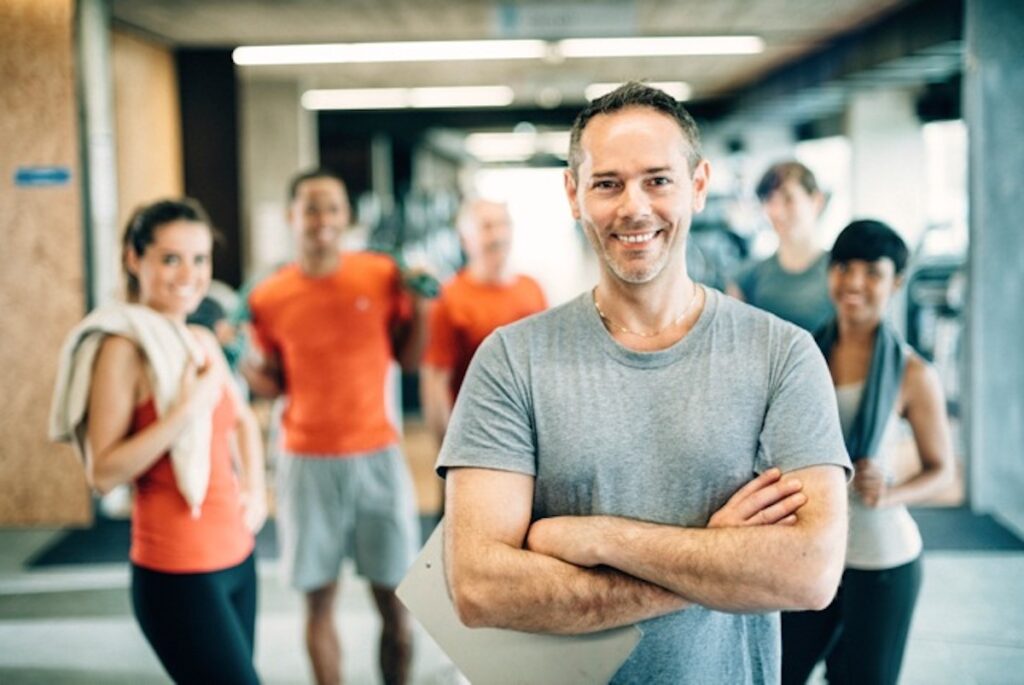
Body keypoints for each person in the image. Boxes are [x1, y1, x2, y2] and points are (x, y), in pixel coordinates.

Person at [438, 82, 852, 684]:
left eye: (658, 179)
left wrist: (600, 537)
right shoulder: (511, 360)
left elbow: (808, 573)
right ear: (574, 194)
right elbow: (478, 588)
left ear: (698, 186)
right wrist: (713, 560)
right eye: (608, 183)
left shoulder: (782, 355)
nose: (634, 207)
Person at [55, 199, 266, 684]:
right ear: (134, 258)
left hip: (237, 556)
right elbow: (103, 472)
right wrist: (184, 411)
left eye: (200, 259)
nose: (189, 274)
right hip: (178, 572)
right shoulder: (122, 349)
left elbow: (243, 423)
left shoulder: (200, 340)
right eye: (171, 258)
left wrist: (254, 491)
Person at [243, 169, 428, 685]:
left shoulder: (379, 274)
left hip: (379, 456)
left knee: (398, 606)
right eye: (310, 208)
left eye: (332, 207)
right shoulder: (269, 296)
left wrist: (423, 305)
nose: (322, 219)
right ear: (291, 217)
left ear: (347, 216)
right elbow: (272, 383)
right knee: (317, 604)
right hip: (306, 461)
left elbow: (409, 360)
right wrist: (241, 359)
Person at [781, 220, 955, 685]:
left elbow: (942, 470)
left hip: (881, 562)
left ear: (896, 282)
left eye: (872, 273)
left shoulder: (913, 374)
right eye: (844, 268)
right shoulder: (802, 357)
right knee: (778, 672)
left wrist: (892, 490)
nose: (855, 283)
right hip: (809, 552)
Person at [419, 198, 547, 448]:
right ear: (465, 240)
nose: (498, 235)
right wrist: (446, 452)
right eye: (487, 227)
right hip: (477, 437)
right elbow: (435, 383)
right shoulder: (449, 298)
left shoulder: (532, 289)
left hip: (530, 432)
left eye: (503, 225)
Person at [728, 161, 834, 332]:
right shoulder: (749, 278)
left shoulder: (839, 272)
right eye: (769, 199)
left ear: (817, 201)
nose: (776, 212)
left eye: (788, 199)